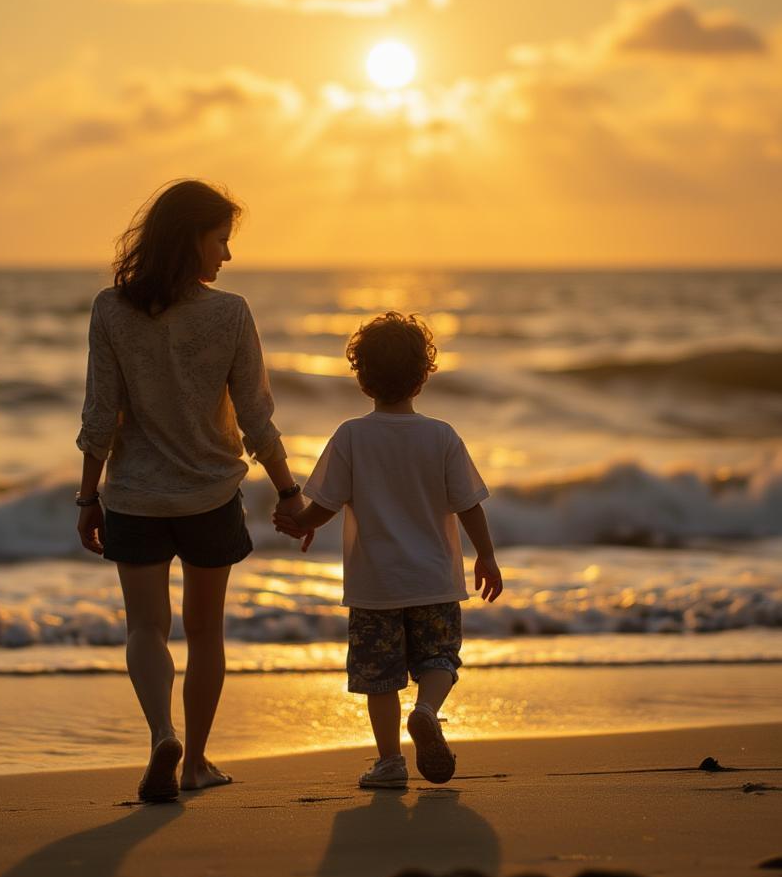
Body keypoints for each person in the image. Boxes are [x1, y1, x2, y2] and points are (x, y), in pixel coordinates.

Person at [75, 179, 309, 802]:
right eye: (221, 240)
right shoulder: (229, 313)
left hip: (134, 496)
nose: (226, 256)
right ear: (192, 240)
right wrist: (289, 492)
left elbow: (101, 413)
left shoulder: (110, 309)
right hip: (209, 495)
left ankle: (160, 734)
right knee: (205, 631)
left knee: (145, 628)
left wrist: (86, 496)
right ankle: (196, 762)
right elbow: (256, 414)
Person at [273, 312, 503, 789]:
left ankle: (390, 764)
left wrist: (300, 524)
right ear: (423, 375)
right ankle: (426, 710)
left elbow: (326, 504)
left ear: (362, 377)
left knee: (379, 679)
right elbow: (469, 505)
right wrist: (486, 555)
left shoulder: (352, 435)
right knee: (440, 659)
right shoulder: (441, 435)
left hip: (375, 584)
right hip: (435, 579)